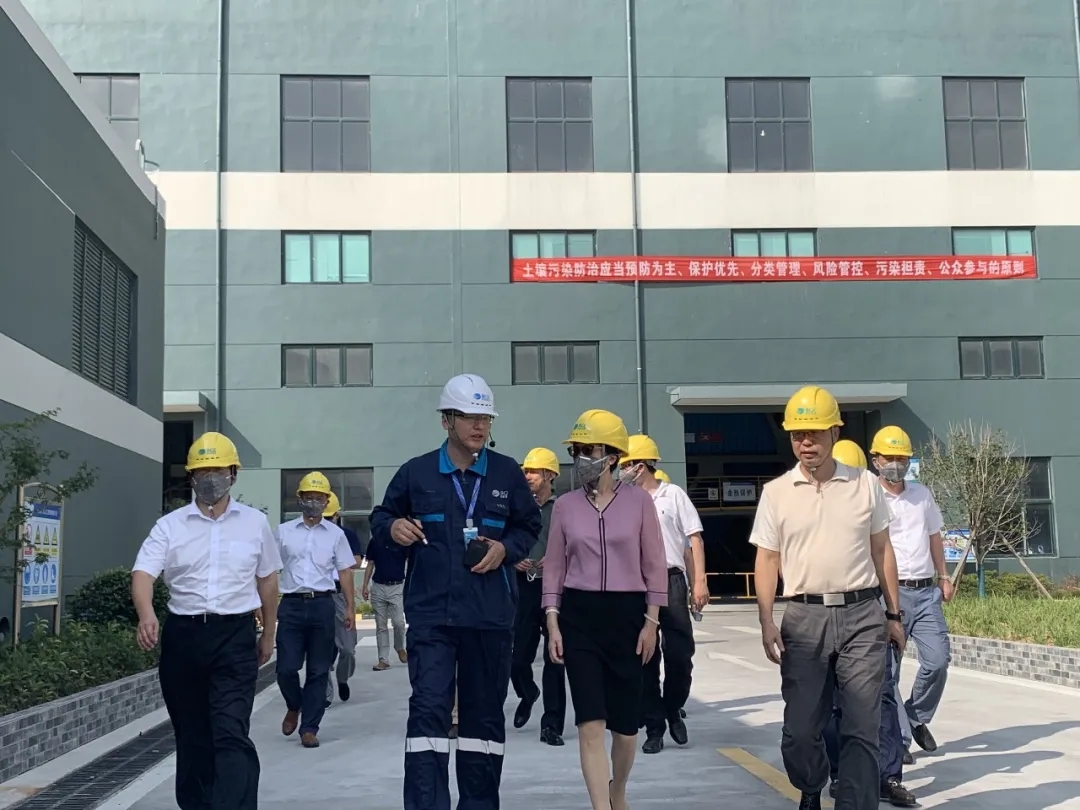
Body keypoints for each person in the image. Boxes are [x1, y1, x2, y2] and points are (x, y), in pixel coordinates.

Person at [370, 373, 541, 810]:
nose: (479, 425)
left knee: (483, 721)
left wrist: (505, 549)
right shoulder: (417, 472)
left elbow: (528, 526)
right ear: (446, 420)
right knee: (428, 712)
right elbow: (381, 517)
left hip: (489, 618)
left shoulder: (506, 473)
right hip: (432, 619)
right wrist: (393, 526)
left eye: (485, 417)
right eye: (468, 417)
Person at [749, 386, 906, 810]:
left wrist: (893, 614)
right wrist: (766, 620)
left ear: (835, 432)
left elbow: (882, 550)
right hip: (804, 618)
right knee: (801, 729)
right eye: (797, 435)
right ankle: (811, 783)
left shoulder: (865, 485)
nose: (806, 443)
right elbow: (767, 559)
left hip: (862, 615)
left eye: (814, 433)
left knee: (862, 726)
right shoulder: (777, 492)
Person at [132, 432, 281, 810]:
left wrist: (268, 633)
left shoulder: (255, 523)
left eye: (218, 470)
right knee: (193, 735)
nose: (210, 478)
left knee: (231, 731)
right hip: (184, 638)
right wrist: (146, 614)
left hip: (235, 636)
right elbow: (143, 573)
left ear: (233, 474)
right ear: (191, 476)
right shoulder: (170, 526)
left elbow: (268, 579)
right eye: (202, 471)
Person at [543, 409, 668, 810]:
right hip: (579, 617)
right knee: (590, 722)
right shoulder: (565, 506)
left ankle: (618, 790)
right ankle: (601, 806)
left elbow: (654, 564)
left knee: (626, 729)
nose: (580, 458)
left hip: (629, 617)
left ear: (612, 456)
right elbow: (555, 566)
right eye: (576, 450)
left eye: (589, 450)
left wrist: (651, 621)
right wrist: (552, 620)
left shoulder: (640, 503)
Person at [820, 439, 916, 807]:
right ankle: (840, 772)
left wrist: (893, 615)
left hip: (871, 609)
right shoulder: (813, 510)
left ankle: (888, 776)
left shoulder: (872, 507)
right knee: (833, 701)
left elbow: (884, 556)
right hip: (827, 613)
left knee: (884, 695)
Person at [618, 434, 707, 754]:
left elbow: (694, 538)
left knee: (680, 654)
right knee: (645, 657)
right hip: (636, 584)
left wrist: (699, 582)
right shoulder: (623, 499)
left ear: (640, 466)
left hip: (671, 582)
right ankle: (654, 728)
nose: (621, 471)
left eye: (625, 465)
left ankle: (673, 707)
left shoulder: (674, 495)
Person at [869, 427, 953, 762]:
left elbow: (934, 536)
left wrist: (944, 576)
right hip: (890, 594)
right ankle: (900, 742)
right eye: (889, 457)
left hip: (926, 590)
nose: (895, 464)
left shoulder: (922, 494)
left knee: (938, 661)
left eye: (901, 458)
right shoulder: (869, 496)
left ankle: (916, 715)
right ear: (875, 459)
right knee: (889, 672)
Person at [276, 472, 356, 748]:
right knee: (286, 668)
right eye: (308, 497)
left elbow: (345, 572)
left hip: (323, 605)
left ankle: (310, 727)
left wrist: (350, 608)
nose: (313, 502)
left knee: (319, 670)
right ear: (299, 499)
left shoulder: (336, 535)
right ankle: (294, 704)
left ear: (326, 501)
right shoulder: (283, 532)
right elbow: (268, 569)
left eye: (318, 498)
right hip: (291, 605)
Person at [510, 447, 567, 746]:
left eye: (532, 471)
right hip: (525, 587)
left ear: (549, 475)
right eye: (525, 471)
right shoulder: (518, 506)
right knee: (517, 658)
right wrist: (513, 557)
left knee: (555, 657)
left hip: (556, 588)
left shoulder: (564, 508)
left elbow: (577, 544)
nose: (527, 476)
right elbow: (505, 540)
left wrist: (559, 558)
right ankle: (527, 692)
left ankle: (552, 725)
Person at [324, 492, 364, 706]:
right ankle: (325, 694)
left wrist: (338, 560)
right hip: (319, 595)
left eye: (329, 517)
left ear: (337, 515)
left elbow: (356, 560)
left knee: (347, 648)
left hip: (340, 592)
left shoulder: (346, 535)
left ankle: (343, 678)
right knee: (320, 648)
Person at [362, 521, 410, 671]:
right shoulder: (375, 541)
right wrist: (365, 585)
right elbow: (370, 564)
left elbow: (409, 562)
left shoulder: (402, 541)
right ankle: (383, 659)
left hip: (397, 586)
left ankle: (399, 647)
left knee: (399, 622)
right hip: (378, 586)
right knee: (381, 625)